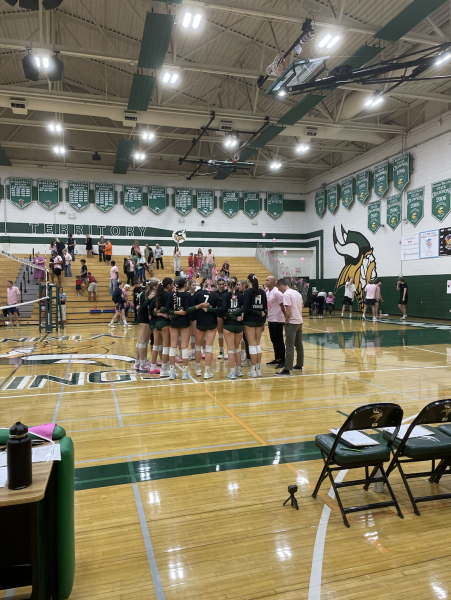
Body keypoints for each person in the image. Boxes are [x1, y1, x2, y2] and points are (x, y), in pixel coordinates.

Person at [168, 278, 205, 380]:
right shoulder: (187, 295)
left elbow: (168, 310)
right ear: (185, 285)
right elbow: (188, 309)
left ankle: (172, 372)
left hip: (174, 322)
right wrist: (199, 306)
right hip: (184, 321)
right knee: (184, 346)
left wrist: (175, 313)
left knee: (173, 346)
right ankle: (185, 372)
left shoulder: (172, 295)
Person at [191, 278, 221, 379]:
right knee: (209, 348)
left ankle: (197, 369)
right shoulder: (215, 295)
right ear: (211, 285)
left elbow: (192, 307)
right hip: (212, 323)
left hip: (200, 323)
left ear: (203, 284)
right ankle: (207, 372)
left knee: (198, 346)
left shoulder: (198, 294)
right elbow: (220, 310)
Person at [275, 279, 304, 376]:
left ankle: (286, 369)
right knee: (299, 345)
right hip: (299, 321)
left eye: (278, 288)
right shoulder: (297, 293)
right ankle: (299, 365)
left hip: (292, 322)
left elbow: (288, 310)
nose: (279, 291)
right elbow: (301, 306)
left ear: (281, 285)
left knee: (289, 346)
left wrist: (286, 321)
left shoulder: (286, 294)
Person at [243, 273, 267, 378]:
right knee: (257, 345)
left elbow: (246, 308)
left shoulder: (247, 292)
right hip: (260, 321)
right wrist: (263, 321)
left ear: (248, 281)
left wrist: (257, 313)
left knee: (252, 345)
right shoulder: (262, 292)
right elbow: (265, 309)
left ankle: (253, 370)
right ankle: (258, 370)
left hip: (250, 321)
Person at [149, 277, 174, 377]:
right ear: (168, 285)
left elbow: (150, 311)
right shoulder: (168, 295)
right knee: (165, 347)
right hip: (164, 324)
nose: (173, 286)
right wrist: (162, 312)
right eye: (172, 284)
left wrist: (157, 313)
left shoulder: (157, 295)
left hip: (156, 324)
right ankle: (164, 369)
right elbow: (167, 308)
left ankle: (153, 367)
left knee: (155, 346)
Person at [134, 279, 159, 374]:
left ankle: (138, 362)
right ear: (154, 287)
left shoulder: (144, 294)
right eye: (158, 284)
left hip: (143, 319)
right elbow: (142, 308)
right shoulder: (149, 296)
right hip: (144, 319)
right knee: (142, 342)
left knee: (141, 342)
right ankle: (142, 364)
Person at [221, 278, 244, 379]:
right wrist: (237, 316)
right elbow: (243, 308)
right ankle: (239, 371)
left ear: (227, 285)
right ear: (236, 286)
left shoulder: (224, 295)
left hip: (229, 325)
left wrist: (231, 316)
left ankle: (232, 373)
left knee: (230, 350)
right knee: (237, 349)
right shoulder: (241, 295)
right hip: (239, 325)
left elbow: (224, 312)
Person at [265, 275, 286, 368]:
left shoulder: (277, 293)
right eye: (266, 280)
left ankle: (283, 360)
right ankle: (277, 358)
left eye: (268, 280)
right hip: (271, 318)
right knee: (273, 339)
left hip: (278, 319)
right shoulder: (267, 292)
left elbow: (283, 305)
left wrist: (285, 316)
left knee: (279, 340)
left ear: (273, 282)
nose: (266, 282)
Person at [216, 278, 229, 360]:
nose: (221, 286)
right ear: (217, 284)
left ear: (225, 284)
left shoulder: (228, 293)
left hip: (227, 315)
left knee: (227, 334)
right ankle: (221, 352)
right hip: (219, 315)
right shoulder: (215, 293)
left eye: (222, 284)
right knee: (220, 334)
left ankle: (228, 351)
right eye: (219, 284)